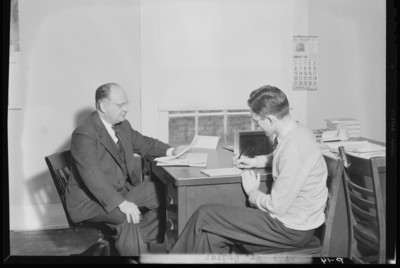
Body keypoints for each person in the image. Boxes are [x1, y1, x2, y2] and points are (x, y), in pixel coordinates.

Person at [169, 85, 328, 254]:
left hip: (289, 229)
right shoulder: (297, 131)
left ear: (270, 120)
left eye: (257, 121)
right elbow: (280, 157)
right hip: (292, 221)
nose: (256, 125)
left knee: (204, 214)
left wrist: (253, 192)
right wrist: (256, 162)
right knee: (210, 236)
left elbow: (276, 206)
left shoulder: (296, 147)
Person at [65, 83, 186, 256]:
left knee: (165, 194)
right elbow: (93, 176)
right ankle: (135, 250)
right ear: (103, 106)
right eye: (120, 105)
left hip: (118, 191)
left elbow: (145, 143)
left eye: (127, 104)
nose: (126, 109)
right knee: (127, 217)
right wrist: (122, 204)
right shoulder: (84, 134)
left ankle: (134, 242)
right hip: (90, 202)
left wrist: (172, 150)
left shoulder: (122, 125)